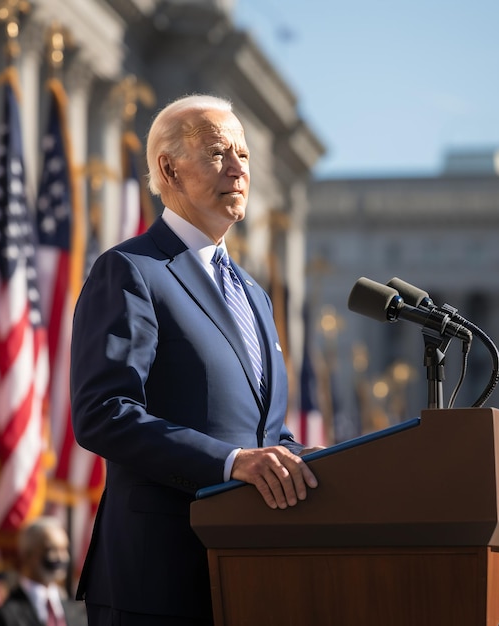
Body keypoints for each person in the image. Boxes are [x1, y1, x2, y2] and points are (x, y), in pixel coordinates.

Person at [70, 93, 321, 626]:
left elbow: (262, 434)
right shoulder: (131, 270)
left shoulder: (253, 292)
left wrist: (313, 462)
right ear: (169, 169)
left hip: (248, 578)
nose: (238, 169)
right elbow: (104, 413)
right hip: (158, 581)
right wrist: (230, 465)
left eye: (245, 156)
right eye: (217, 153)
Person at [0, 516, 86, 626]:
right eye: (52, 550)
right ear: (27, 554)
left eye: (64, 550)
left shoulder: (78, 612)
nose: (61, 558)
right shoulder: (6, 614)